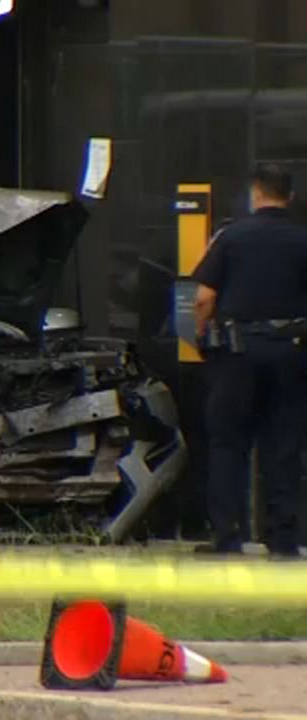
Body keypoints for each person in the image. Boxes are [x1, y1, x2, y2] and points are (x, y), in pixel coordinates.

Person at [192, 164, 307, 558]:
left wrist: (201, 336)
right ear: (289, 198)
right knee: (284, 446)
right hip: (288, 352)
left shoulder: (232, 237)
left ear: (254, 194)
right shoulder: (302, 240)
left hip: (237, 355)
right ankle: (284, 543)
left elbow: (204, 297)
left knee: (228, 445)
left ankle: (228, 539)